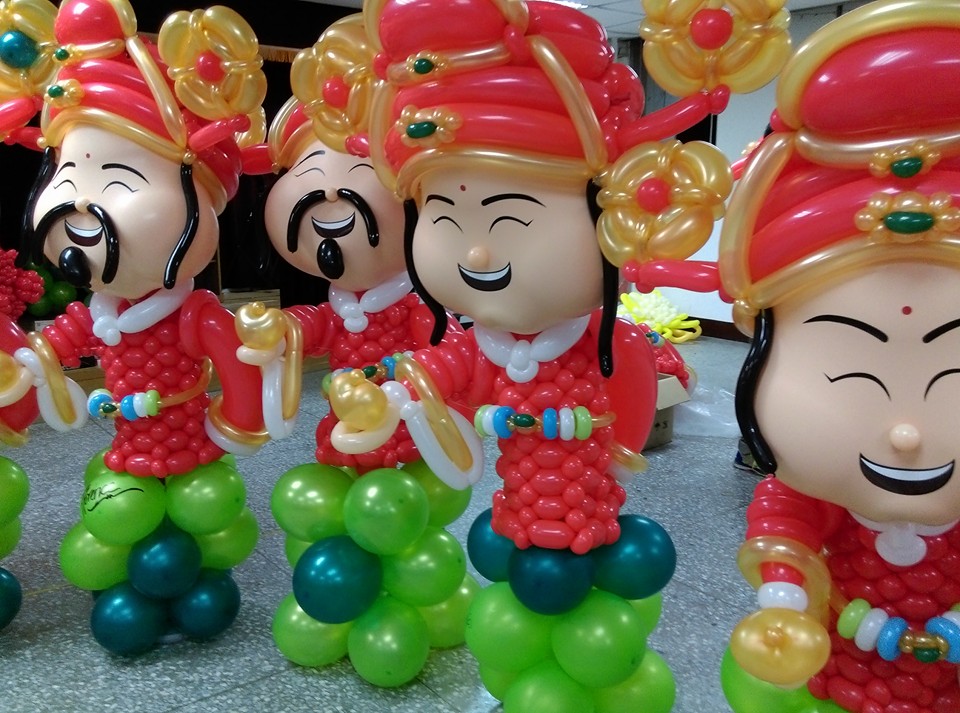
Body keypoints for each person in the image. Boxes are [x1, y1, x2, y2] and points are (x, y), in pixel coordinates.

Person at [325, 0, 788, 708]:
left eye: (512, 217)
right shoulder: (481, 342)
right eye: (445, 217)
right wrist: (393, 397)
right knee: (518, 599)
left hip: (589, 522)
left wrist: (616, 450)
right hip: (517, 519)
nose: (478, 253)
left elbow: (630, 397)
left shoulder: (605, 343)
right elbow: (443, 369)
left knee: (588, 607)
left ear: (612, 216)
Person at [0, 0, 279, 655]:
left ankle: (194, 583)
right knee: (124, 519)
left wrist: (237, 422)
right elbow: (55, 347)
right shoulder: (99, 313)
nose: (81, 204)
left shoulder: (193, 313)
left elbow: (235, 367)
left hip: (192, 452)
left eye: (120, 178)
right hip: (127, 449)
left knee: (199, 525)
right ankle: (135, 580)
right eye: (69, 173)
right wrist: (28, 367)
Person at [720, 1, 960, 710]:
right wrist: (784, 587)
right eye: (856, 374)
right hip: (839, 674)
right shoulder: (824, 488)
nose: (906, 432)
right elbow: (789, 514)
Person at [245, 16, 476, 686]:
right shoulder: (345, 299)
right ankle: (344, 600)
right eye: (308, 171)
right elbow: (320, 325)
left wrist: (412, 385)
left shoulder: (417, 304)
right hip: (343, 439)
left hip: (404, 448)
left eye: (358, 170)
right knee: (344, 521)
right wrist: (281, 329)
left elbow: (448, 356)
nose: (326, 195)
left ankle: (409, 607)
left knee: (396, 521)